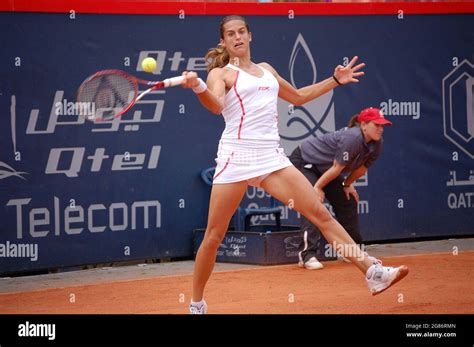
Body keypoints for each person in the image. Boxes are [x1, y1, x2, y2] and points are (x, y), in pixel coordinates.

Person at [181, 15, 408, 314]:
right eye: (230, 34)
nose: (237, 37)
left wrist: (335, 80)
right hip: (236, 157)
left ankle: (372, 272)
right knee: (213, 236)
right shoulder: (221, 74)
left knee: (319, 213)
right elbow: (216, 106)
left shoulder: (266, 71)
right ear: (223, 41)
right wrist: (198, 86)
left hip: (271, 158)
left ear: (250, 35)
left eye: (241, 32)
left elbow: (300, 97)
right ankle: (197, 303)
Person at [289, 107, 391, 270]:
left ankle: (352, 252)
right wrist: (317, 188)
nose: (380, 129)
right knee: (313, 203)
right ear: (363, 125)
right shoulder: (353, 137)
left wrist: (347, 184)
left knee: (347, 201)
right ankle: (307, 255)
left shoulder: (377, 143)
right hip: (305, 162)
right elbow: (337, 168)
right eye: (376, 125)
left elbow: (362, 169)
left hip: (325, 169)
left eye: (382, 125)